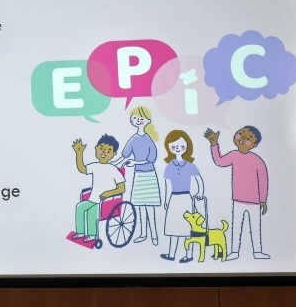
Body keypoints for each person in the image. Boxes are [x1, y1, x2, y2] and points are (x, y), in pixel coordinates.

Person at [203, 126, 269, 261]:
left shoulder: (257, 160)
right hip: (238, 199)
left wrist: (263, 200)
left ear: (255, 145)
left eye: (249, 138)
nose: (243, 138)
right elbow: (220, 161)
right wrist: (214, 144)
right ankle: (234, 252)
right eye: (241, 134)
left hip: (255, 202)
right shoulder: (234, 155)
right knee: (236, 226)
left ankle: (258, 252)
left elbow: (263, 180)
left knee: (255, 227)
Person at [112, 105, 162, 246]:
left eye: (140, 118)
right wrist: (113, 164)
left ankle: (154, 235)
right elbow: (123, 156)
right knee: (140, 207)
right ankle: (143, 234)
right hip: (139, 176)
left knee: (150, 207)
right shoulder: (133, 139)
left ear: (147, 121)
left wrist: (135, 162)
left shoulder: (148, 139)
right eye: (135, 118)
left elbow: (151, 159)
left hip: (149, 175)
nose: (137, 120)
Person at [71, 135, 126, 242]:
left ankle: (92, 235)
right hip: (93, 199)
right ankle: (81, 233)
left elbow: (121, 188)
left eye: (108, 150)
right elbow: (82, 169)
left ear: (114, 154)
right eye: (101, 148)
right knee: (80, 207)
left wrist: (108, 193)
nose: (104, 152)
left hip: (105, 200)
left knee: (92, 213)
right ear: (96, 148)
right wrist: (79, 153)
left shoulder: (113, 170)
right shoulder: (95, 166)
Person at [161, 129, 204, 263]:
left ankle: (189, 255)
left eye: (181, 146)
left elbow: (199, 180)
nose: (178, 148)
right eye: (174, 146)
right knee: (172, 227)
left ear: (187, 147)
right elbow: (167, 185)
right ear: (169, 148)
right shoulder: (169, 166)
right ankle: (171, 254)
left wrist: (200, 193)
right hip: (174, 198)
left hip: (186, 198)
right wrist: (166, 200)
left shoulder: (190, 165)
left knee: (187, 228)